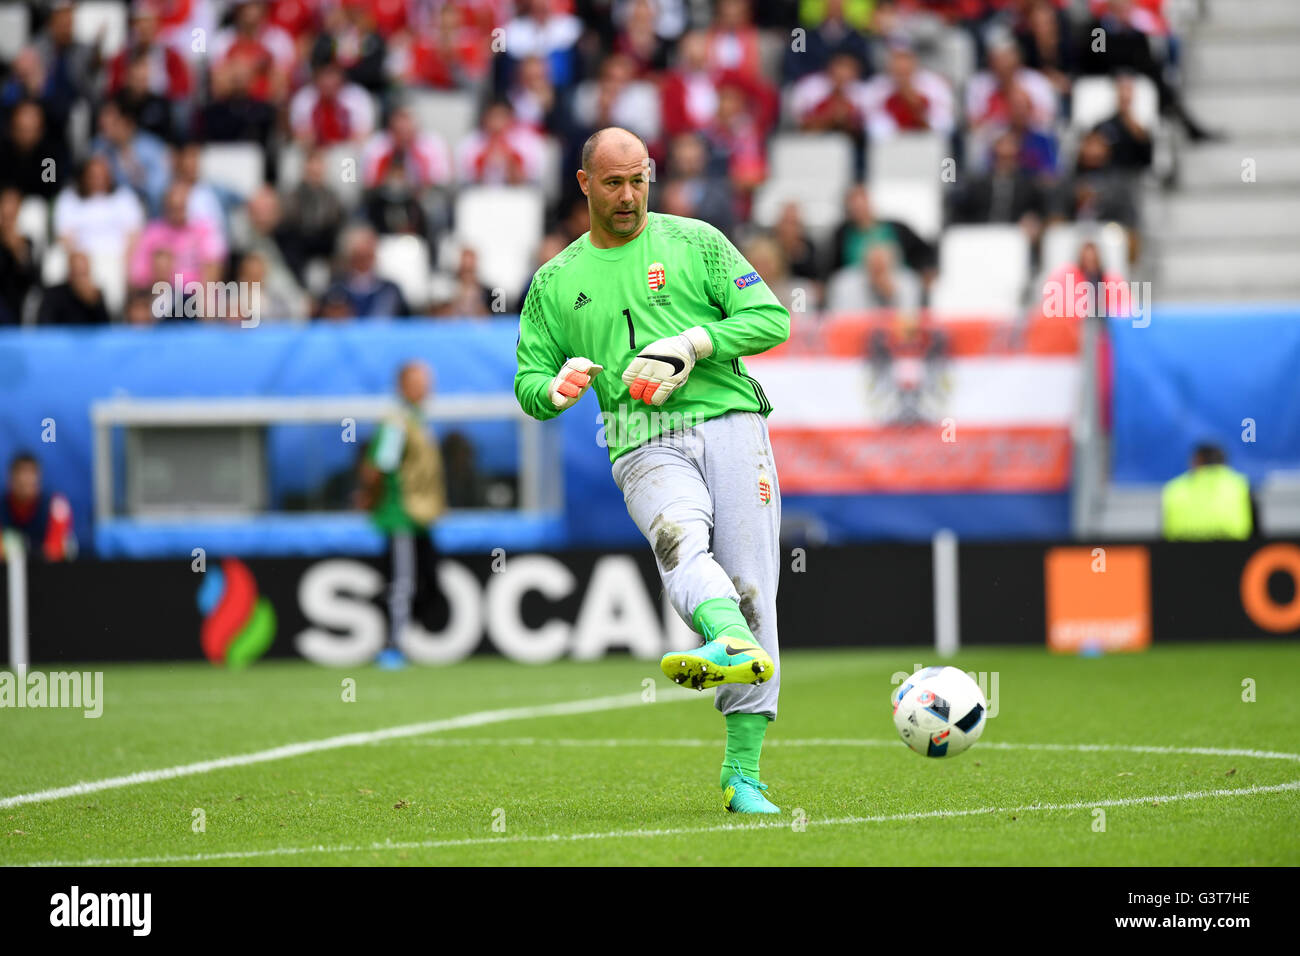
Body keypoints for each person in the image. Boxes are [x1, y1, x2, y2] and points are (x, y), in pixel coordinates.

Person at [514, 127, 790, 815]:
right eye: (614, 182)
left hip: (733, 424)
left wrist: (695, 343)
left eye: (640, 178)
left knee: (755, 587)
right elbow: (527, 380)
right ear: (584, 185)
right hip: (640, 439)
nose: (630, 194)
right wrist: (556, 388)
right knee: (678, 541)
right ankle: (724, 635)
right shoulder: (555, 282)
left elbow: (771, 319)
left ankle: (743, 776)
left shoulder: (696, 241)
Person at [358, 361, 449, 668]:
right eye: (418, 381)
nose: (425, 386)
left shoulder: (416, 419)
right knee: (402, 582)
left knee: (423, 580)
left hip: (419, 517)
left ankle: (399, 639)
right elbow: (378, 467)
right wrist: (371, 500)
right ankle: (392, 645)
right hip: (401, 515)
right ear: (402, 386)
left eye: (427, 380)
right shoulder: (398, 422)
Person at [1162, 443, 1257, 541]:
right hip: (1234, 551)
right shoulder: (1240, 485)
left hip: (1182, 551)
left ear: (1196, 461)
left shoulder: (1174, 488)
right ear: (1223, 462)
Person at [1, 453, 76, 561]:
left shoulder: (56, 506)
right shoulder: (3, 507)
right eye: (21, 474)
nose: (25, 479)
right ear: (11, 478)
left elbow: (54, 551)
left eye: (30, 474)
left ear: (38, 477)